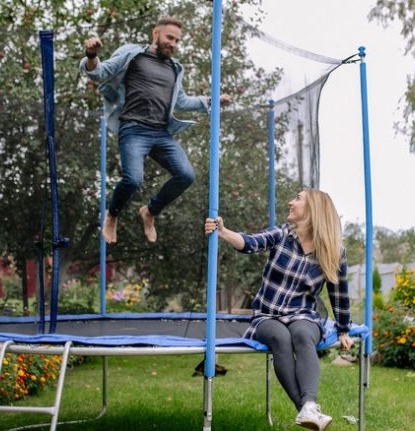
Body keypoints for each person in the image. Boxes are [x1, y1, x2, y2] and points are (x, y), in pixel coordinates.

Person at [204, 189, 353, 431]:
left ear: (313, 209)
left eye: (298, 199)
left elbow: (339, 293)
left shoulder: (334, 249)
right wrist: (223, 232)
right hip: (267, 314)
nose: (290, 202)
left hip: (302, 314)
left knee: (303, 335)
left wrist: (344, 329)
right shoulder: (282, 234)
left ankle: (309, 407)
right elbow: (250, 243)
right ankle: (308, 409)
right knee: (280, 337)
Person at [81, 16, 232, 244]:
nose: (173, 43)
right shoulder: (133, 55)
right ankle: (112, 215)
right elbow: (98, 73)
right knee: (133, 180)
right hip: (133, 129)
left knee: (186, 175)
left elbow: (181, 101)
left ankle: (149, 212)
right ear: (156, 34)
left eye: (177, 40)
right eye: (169, 37)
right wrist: (91, 56)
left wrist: (212, 101)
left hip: (161, 133)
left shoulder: (174, 68)